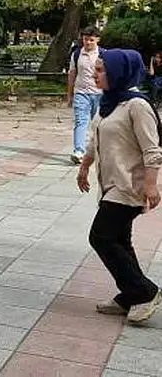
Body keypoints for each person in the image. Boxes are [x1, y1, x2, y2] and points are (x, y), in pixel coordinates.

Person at [77, 49, 162, 325]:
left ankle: (144, 291)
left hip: (129, 186)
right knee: (121, 241)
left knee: (100, 237)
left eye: (101, 70)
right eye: (96, 68)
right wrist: (84, 166)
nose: (95, 73)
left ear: (118, 72)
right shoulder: (110, 103)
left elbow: (153, 149)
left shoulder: (137, 105)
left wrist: (151, 185)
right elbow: (95, 138)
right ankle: (130, 295)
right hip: (110, 184)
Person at [68, 26, 104, 165]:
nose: (88, 43)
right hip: (81, 92)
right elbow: (72, 74)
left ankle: (98, 150)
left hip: (99, 94)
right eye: (85, 39)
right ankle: (79, 151)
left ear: (97, 40)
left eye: (91, 40)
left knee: (98, 123)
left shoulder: (103, 54)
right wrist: (70, 94)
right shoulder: (77, 54)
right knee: (80, 121)